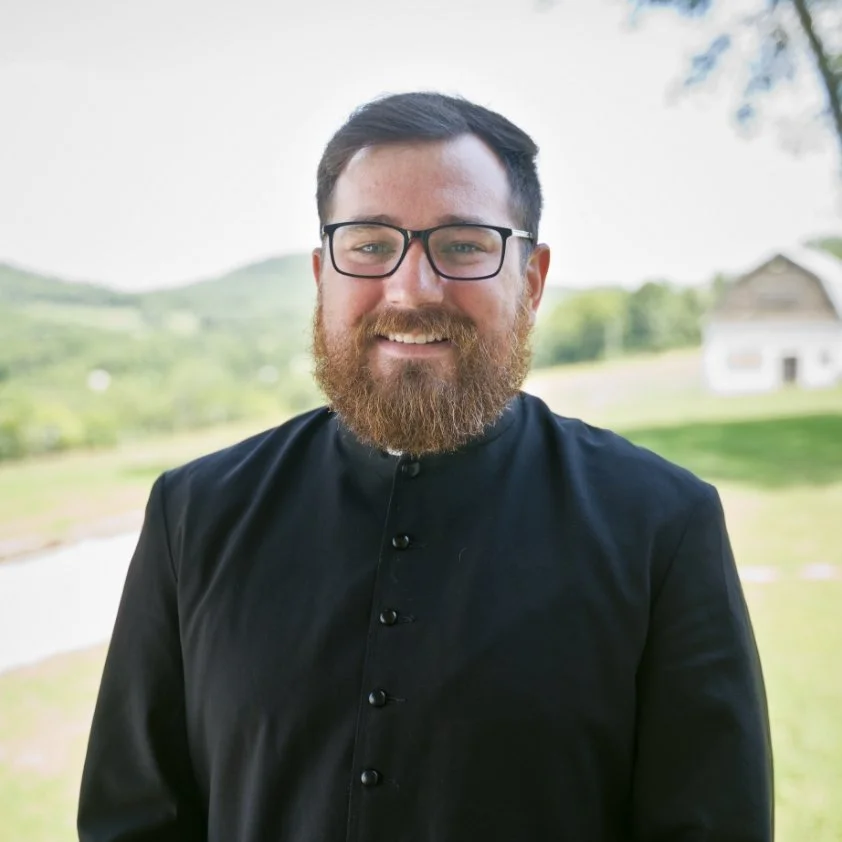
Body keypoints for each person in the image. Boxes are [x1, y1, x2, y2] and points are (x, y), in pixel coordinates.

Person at [78, 91, 773, 842]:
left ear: (531, 281)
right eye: (371, 244)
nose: (412, 290)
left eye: (464, 244)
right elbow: (132, 824)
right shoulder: (195, 513)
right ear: (322, 275)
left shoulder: (661, 525)